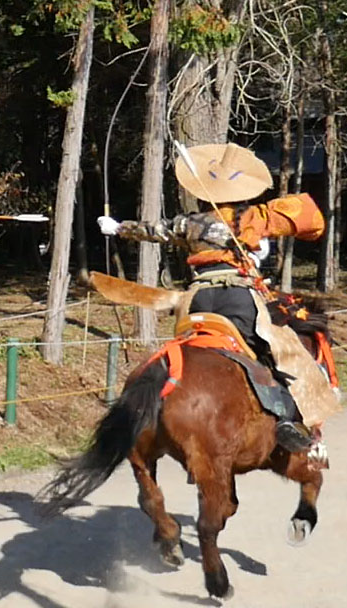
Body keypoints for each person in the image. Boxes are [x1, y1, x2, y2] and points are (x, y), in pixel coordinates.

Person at [97, 142, 327, 451]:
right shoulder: (255, 216)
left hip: (197, 301)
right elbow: (311, 221)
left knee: (188, 347)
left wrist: (118, 228)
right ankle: (287, 420)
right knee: (275, 352)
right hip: (239, 299)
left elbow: (154, 230)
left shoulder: (190, 222)